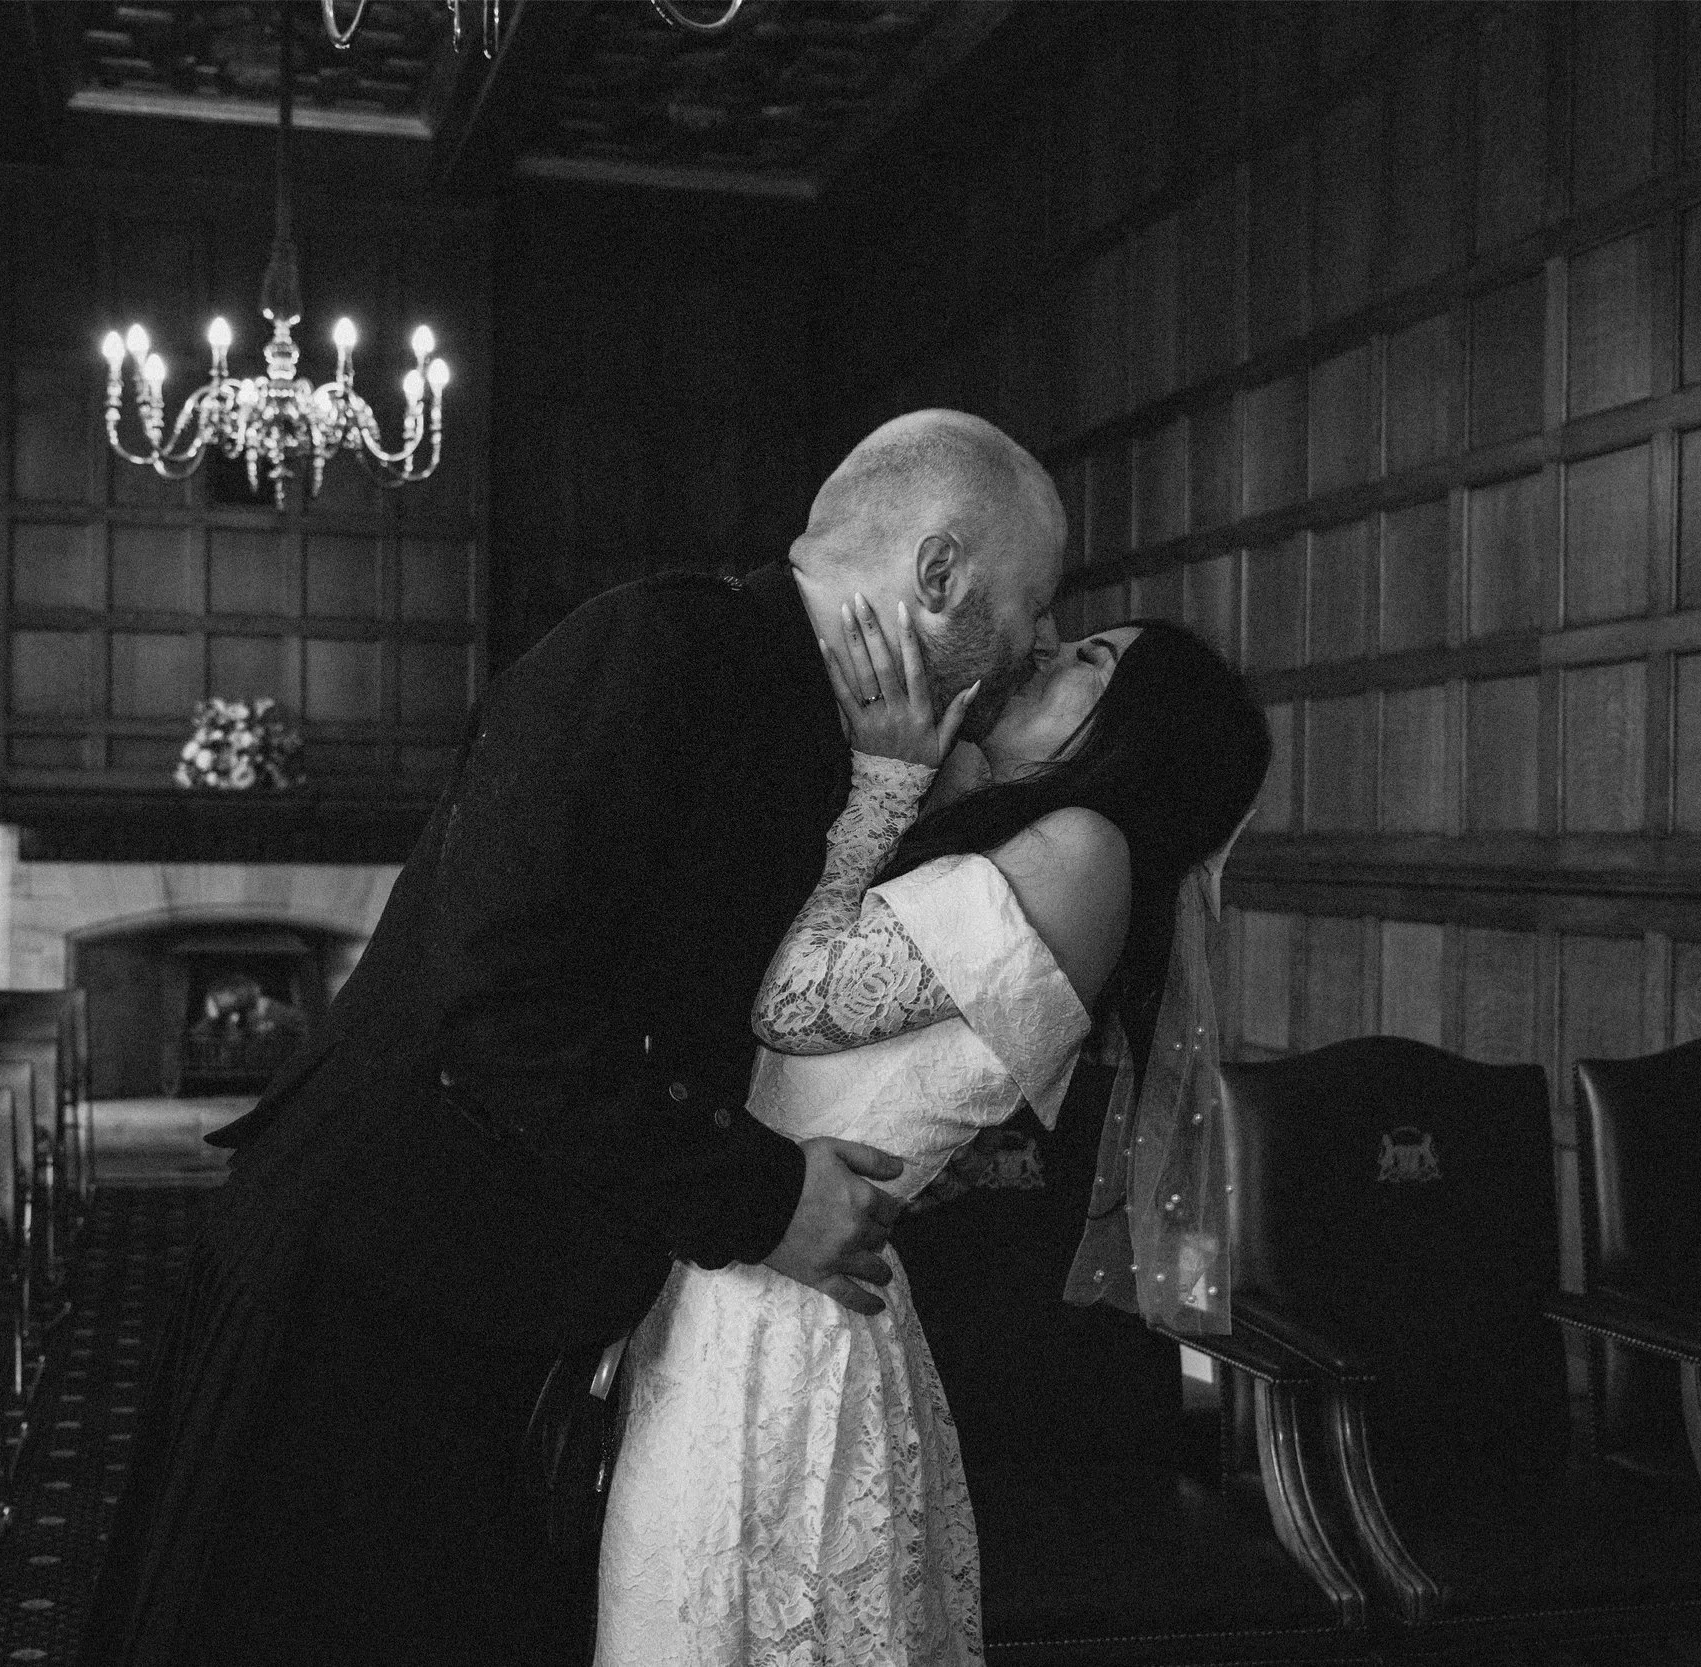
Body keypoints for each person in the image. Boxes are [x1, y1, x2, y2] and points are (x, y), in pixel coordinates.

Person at [82, 409, 1067, 1667]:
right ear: (938, 573)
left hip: (479, 1296)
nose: (1039, 640)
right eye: (1033, 601)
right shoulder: (664, 647)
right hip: (366, 1287)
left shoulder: (812, 714)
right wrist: (763, 1197)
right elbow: (497, 1004)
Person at [595, 604, 1272, 1666]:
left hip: (787, 1316)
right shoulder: (1029, 837)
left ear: (1140, 735)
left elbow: (790, 1000)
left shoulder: (1087, 848)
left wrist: (885, 776)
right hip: (765, 1266)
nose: (1048, 649)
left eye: (1091, 658)